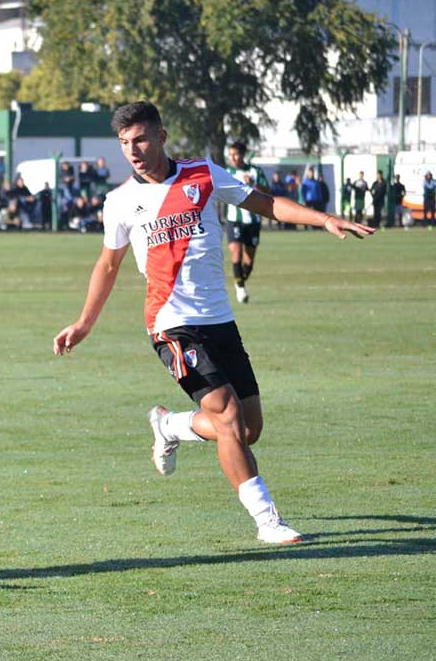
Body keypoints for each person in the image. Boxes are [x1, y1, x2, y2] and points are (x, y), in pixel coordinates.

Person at [52, 101, 373, 546]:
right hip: (170, 324)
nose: (134, 150)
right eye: (125, 143)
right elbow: (108, 265)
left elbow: (266, 203)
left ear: (162, 136)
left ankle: (170, 426)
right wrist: (85, 323)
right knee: (225, 414)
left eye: (141, 138)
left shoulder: (202, 174)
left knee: (247, 430)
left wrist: (323, 219)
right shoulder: (120, 201)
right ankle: (268, 521)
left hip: (220, 321)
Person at [224, 141, 269, 304]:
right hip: (234, 220)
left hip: (253, 221)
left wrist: (254, 184)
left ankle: (240, 280)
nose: (232, 158)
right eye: (230, 155)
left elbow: (268, 192)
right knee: (236, 252)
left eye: (235, 154)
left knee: (249, 262)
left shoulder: (255, 171)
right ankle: (240, 288)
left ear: (243, 155)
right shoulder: (226, 172)